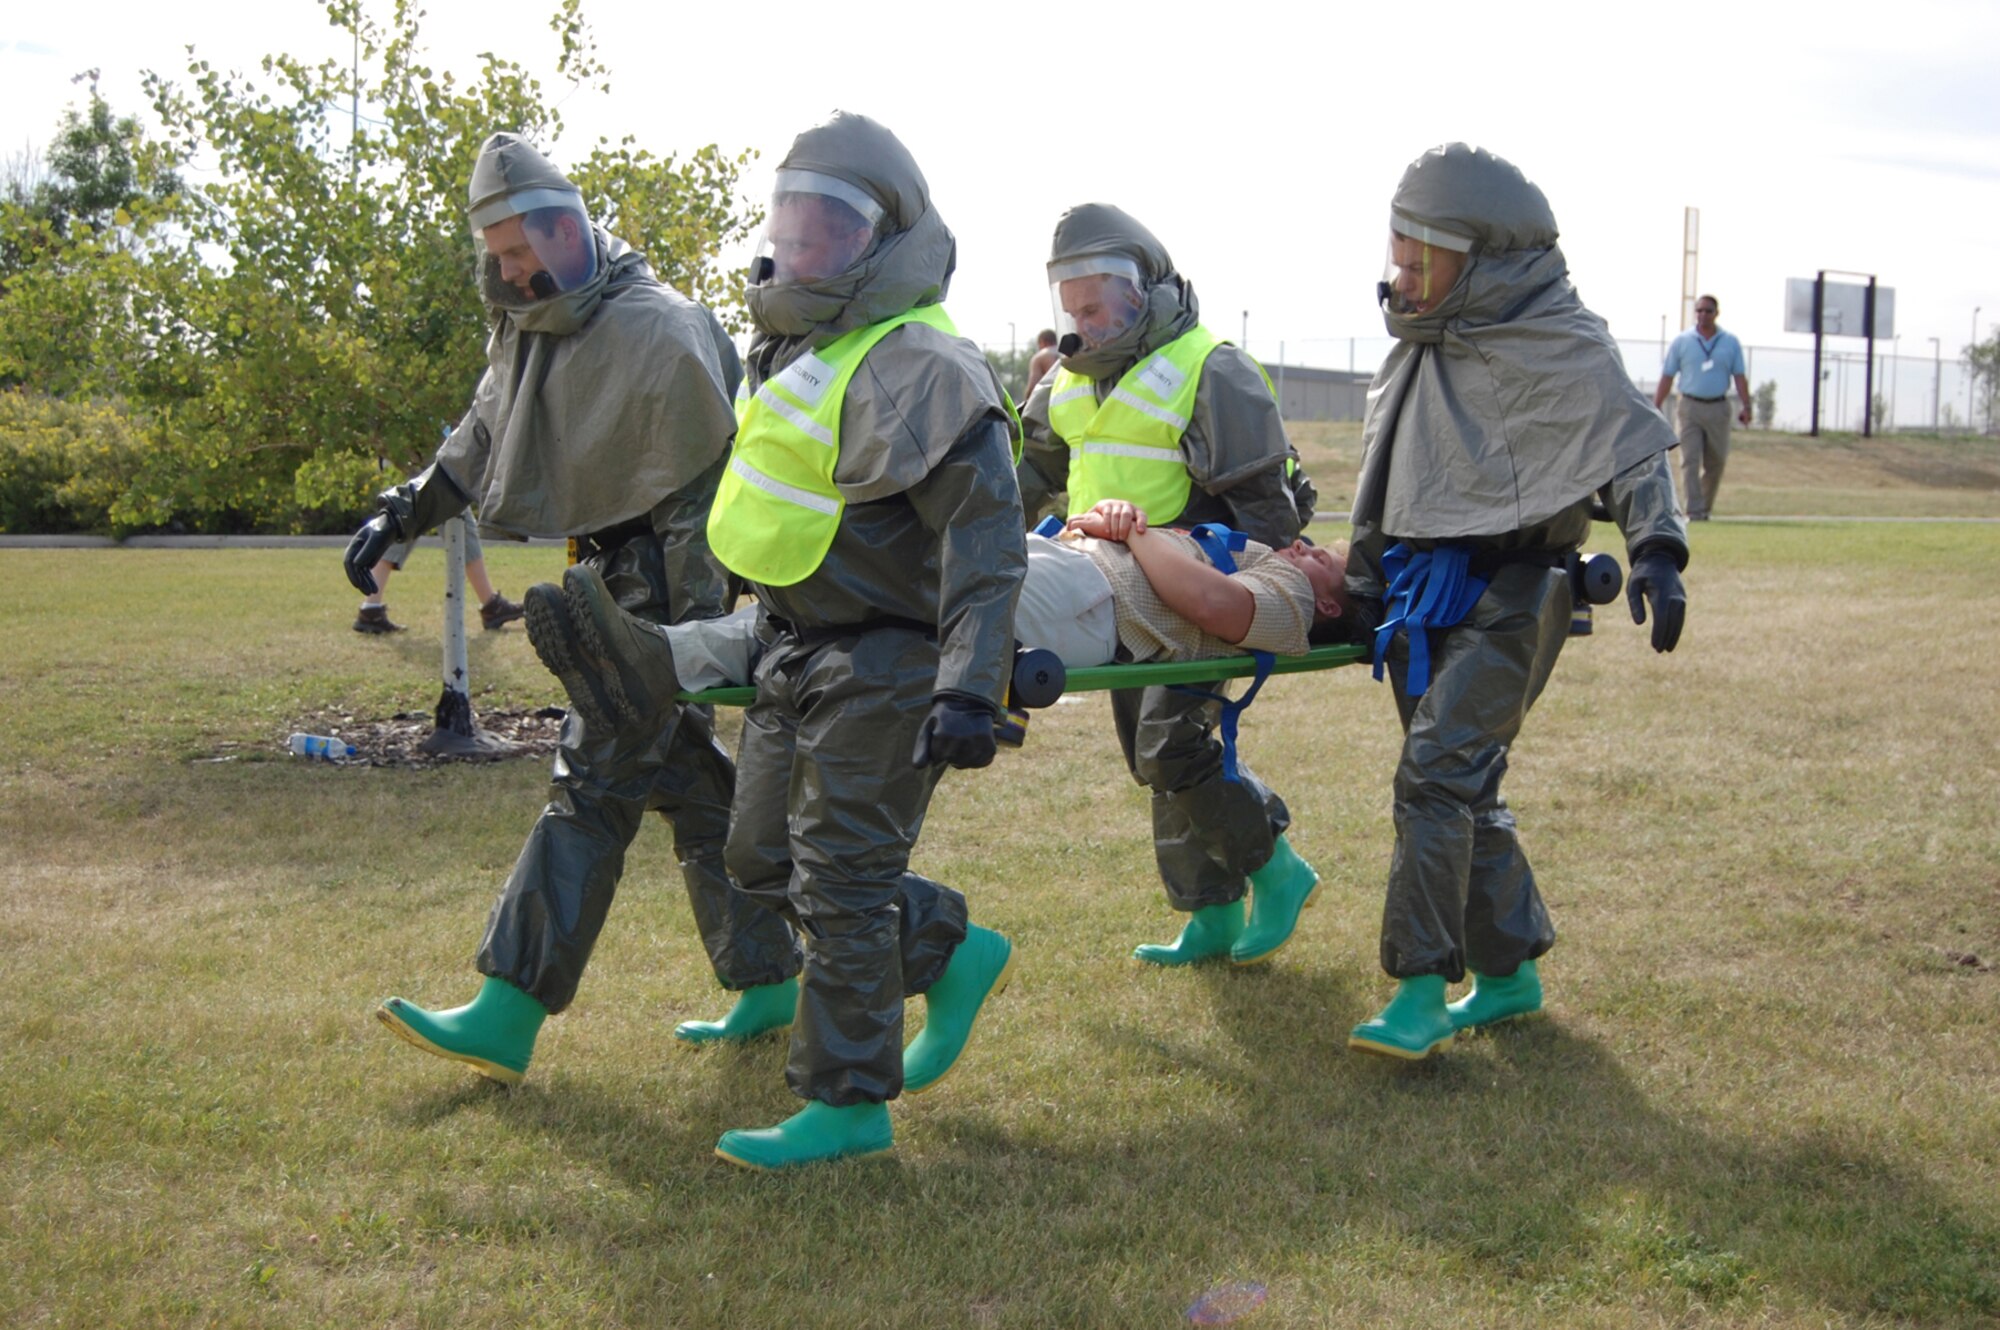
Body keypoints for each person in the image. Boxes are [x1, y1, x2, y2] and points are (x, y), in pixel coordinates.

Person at [351, 131, 797, 1085]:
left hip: (657, 596)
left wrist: (679, 643)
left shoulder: (662, 330)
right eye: (498, 258)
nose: (509, 273)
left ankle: (508, 1012)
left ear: (566, 229)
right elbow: (479, 436)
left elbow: (700, 502)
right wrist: (403, 512)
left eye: (520, 253)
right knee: (695, 792)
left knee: (591, 780)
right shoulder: (527, 325)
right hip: (602, 578)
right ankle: (773, 980)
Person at [697, 112, 1025, 1170]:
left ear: (880, 241)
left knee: (839, 881)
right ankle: (948, 947)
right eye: (789, 225)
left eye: (828, 229)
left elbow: (986, 544)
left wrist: (968, 687)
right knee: (757, 858)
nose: (801, 248)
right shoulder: (790, 350)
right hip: (789, 648)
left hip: (886, 660)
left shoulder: (928, 365)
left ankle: (847, 1104)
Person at [1341, 143, 1689, 1061]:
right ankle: (1508, 974)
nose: (1402, 277)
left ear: (1482, 257)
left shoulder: (1563, 338)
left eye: (1423, 260)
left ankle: (1418, 990)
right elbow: (1385, 478)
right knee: (1467, 787)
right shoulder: (1414, 353)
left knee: (1433, 779)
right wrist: (1358, 588)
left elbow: (1630, 446)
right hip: (1424, 600)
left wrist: (1656, 549)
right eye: (1398, 256)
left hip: (1516, 593)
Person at [1016, 203, 1322, 971]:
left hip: (1198, 595)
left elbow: (1265, 510)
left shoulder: (1209, 367)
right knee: (1146, 753)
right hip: (1110, 590)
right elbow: (1025, 477)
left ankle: (1276, 871)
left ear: (1143, 288)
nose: (1084, 320)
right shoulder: (1063, 382)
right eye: (1073, 306)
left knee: (1168, 744)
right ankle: (1209, 915)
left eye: (1099, 304)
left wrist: (1262, 604)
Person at [529, 497, 1350, 704]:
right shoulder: (1261, 554)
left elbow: (1210, 604)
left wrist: (1135, 535)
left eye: (1327, 562)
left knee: (887, 579)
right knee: (833, 614)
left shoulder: (1289, 603)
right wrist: (1112, 521)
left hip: (1091, 603)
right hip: (1067, 570)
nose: (1307, 549)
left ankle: (653, 651)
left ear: (1335, 604)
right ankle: (655, 654)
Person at [1653, 294, 1751, 521]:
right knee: (1690, 459)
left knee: (1716, 461)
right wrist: (1655, 406)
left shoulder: (1730, 342)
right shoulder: (1683, 341)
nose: (1703, 315)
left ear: (1716, 314)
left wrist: (1746, 406)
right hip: (1689, 406)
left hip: (1718, 407)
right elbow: (1668, 376)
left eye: (1708, 311)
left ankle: (1704, 506)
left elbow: (1739, 376)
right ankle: (1694, 510)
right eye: (1699, 310)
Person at [352, 514, 523, 634]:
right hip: (430, 465)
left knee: (404, 520)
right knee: (456, 511)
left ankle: (370, 609)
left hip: (418, 465)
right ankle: (492, 606)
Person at [1022, 327, 1060, 398]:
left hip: (1053, 399)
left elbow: (1032, 387)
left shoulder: (1041, 356)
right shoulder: (1068, 353)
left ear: (1043, 342)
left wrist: (1025, 403)